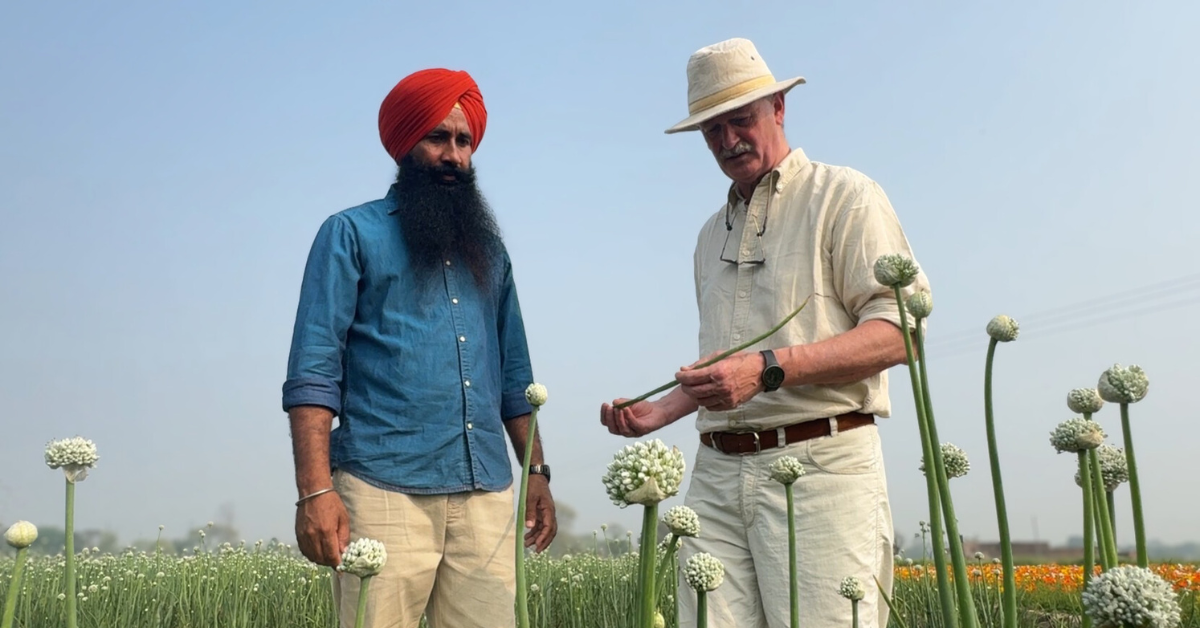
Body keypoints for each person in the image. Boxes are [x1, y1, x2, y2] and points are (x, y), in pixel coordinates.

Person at [600, 38, 931, 628]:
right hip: (717, 474)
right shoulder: (709, 234)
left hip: (821, 469)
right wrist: (664, 410)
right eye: (711, 129)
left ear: (778, 107)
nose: (727, 140)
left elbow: (901, 332)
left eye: (740, 119)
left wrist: (768, 368)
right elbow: (731, 364)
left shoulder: (845, 196)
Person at [282, 67, 557, 628]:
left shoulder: (492, 252)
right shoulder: (350, 234)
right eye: (437, 137)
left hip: (486, 492)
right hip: (382, 489)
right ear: (405, 144)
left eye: (463, 141)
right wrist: (315, 491)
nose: (453, 155)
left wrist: (538, 473)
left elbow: (515, 376)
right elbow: (313, 372)